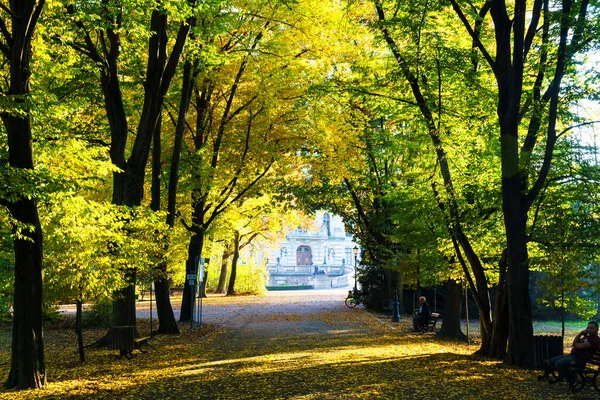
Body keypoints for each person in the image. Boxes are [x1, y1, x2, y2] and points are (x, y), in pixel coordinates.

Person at [539, 320, 600, 391]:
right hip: (572, 357)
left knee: (559, 364)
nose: (589, 330)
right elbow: (575, 343)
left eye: (592, 328)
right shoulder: (586, 337)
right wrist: (580, 333)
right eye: (588, 328)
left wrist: (576, 344)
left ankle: (572, 381)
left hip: (579, 360)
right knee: (551, 361)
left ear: (597, 329)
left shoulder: (595, 339)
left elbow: (580, 346)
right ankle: (564, 377)